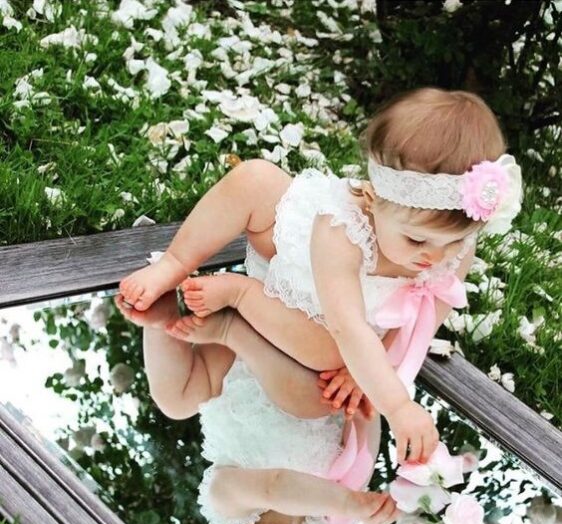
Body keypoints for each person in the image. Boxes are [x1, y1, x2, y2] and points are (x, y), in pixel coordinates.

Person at [119, 87, 522, 465]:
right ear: (373, 198)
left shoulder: (452, 248)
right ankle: (181, 270)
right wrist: (397, 406)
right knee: (254, 180)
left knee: (314, 374)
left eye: (454, 243)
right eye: (416, 239)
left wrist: (366, 372)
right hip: (297, 276)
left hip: (307, 331)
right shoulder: (340, 230)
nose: (434, 256)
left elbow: (423, 315)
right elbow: (349, 328)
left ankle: (193, 320)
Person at [115, 292, 398, 524]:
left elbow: (275, 485)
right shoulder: (322, 520)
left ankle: (160, 311)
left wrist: (347, 503)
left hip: (242, 361)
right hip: (316, 358)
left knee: (177, 399)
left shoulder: (226, 502)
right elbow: (359, 439)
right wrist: (361, 396)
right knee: (326, 395)